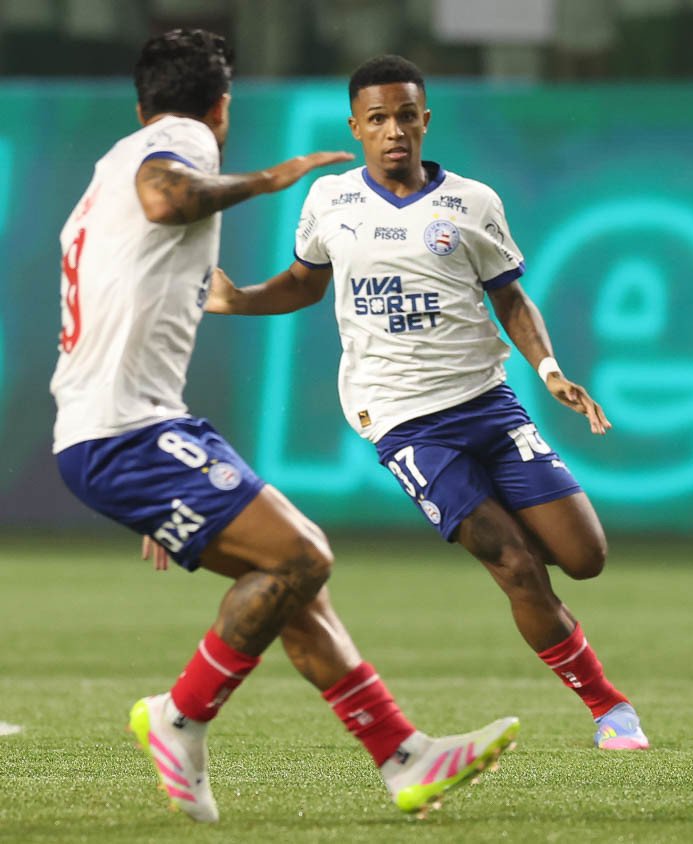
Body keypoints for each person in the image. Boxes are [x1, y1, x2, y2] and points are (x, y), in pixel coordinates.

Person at [51, 30, 519, 824]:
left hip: (131, 427)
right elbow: (170, 195)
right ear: (221, 107)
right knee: (302, 555)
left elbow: (128, 308)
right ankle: (180, 715)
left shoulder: (102, 179)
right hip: (124, 432)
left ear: (137, 103)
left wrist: (161, 479)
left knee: (288, 583)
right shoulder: (181, 138)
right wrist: (271, 178)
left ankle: (403, 758)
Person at [206, 55, 649, 751]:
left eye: (405, 116)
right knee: (515, 568)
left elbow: (510, 296)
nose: (393, 132)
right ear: (356, 127)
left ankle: (527, 557)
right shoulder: (330, 201)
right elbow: (302, 283)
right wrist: (240, 299)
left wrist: (551, 369)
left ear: (425, 120)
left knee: (586, 556)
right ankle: (609, 709)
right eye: (377, 119)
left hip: (489, 403)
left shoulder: (472, 203)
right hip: (405, 422)